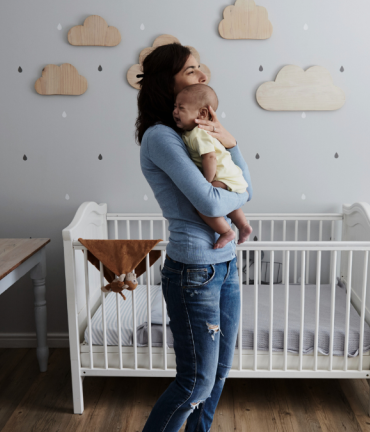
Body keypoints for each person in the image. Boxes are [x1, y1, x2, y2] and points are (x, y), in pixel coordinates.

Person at [137, 43, 253, 432]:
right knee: (195, 381)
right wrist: (235, 192)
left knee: (217, 375)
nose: (202, 75)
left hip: (225, 264)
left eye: (200, 69)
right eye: (191, 71)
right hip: (194, 270)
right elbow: (210, 196)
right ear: (165, 83)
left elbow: (245, 188)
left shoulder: (194, 135)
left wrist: (231, 142)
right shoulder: (160, 137)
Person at [173, 83, 252, 249]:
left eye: (181, 108)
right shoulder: (192, 133)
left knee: (202, 204)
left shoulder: (198, 132)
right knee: (229, 205)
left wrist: (206, 182)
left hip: (221, 176)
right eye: (174, 107)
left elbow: (209, 157)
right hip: (231, 176)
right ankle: (243, 226)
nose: (175, 112)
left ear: (202, 113)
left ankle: (226, 231)